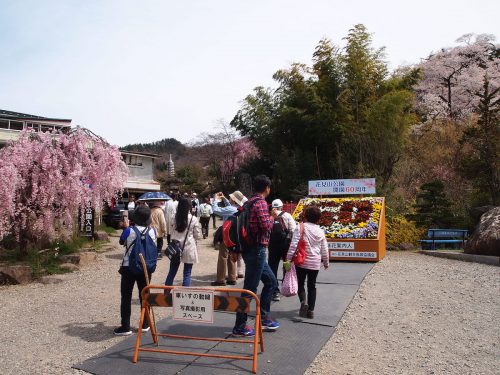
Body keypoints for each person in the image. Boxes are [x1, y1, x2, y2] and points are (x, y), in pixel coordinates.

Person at [232, 175, 279, 337]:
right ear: (267, 188)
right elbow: (266, 226)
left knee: (271, 282)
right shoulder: (260, 203)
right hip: (256, 250)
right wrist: (273, 216)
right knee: (250, 289)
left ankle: (264, 317)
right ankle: (239, 326)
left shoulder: (248, 202)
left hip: (252, 249)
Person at [114, 205, 156, 336]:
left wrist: (126, 227)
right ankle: (145, 324)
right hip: (145, 267)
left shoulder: (129, 231)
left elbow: (122, 242)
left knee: (126, 296)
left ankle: (125, 326)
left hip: (129, 267)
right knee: (144, 296)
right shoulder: (152, 231)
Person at [286, 206, 329, 319]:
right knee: (312, 285)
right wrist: (326, 261)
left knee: (300, 283)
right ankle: (311, 311)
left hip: (301, 261)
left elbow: (294, 244)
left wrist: (288, 258)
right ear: (318, 219)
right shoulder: (320, 231)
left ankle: (303, 302)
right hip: (315, 263)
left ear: (305, 216)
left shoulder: (300, 227)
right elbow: (324, 248)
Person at [210, 191, 247, 286]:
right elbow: (229, 205)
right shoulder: (239, 209)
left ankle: (220, 280)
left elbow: (215, 210)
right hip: (235, 235)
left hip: (227, 235)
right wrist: (224, 198)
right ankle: (232, 277)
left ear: (233, 199)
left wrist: (215, 199)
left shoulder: (230, 209)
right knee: (231, 255)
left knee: (223, 256)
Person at [165, 197, 202, 287]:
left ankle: (166, 293)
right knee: (187, 273)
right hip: (189, 246)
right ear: (189, 206)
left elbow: (170, 230)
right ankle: (184, 296)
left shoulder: (174, 217)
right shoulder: (193, 219)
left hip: (175, 247)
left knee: (172, 271)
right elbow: (197, 235)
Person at [268, 199, 296, 301]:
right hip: (285, 245)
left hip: (273, 246)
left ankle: (274, 291)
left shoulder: (269, 216)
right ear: (281, 206)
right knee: (286, 265)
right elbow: (293, 229)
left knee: (272, 267)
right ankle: (286, 285)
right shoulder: (287, 215)